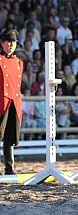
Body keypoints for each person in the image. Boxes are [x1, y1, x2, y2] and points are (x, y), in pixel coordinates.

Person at [0, 29, 23, 175]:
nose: (10, 44)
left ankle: (9, 167)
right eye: (8, 41)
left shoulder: (19, 62)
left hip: (14, 101)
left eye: (13, 42)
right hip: (1, 101)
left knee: (9, 136)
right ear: (2, 43)